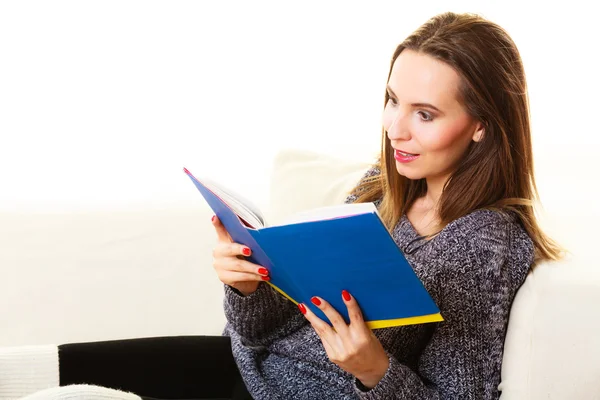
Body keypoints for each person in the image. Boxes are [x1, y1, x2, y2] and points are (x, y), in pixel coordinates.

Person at [210, 11, 562, 400]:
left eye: (425, 114)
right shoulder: (382, 187)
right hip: (249, 365)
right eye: (393, 101)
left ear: (481, 125)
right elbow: (258, 334)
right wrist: (247, 289)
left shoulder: (482, 245)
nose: (394, 129)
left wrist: (374, 371)